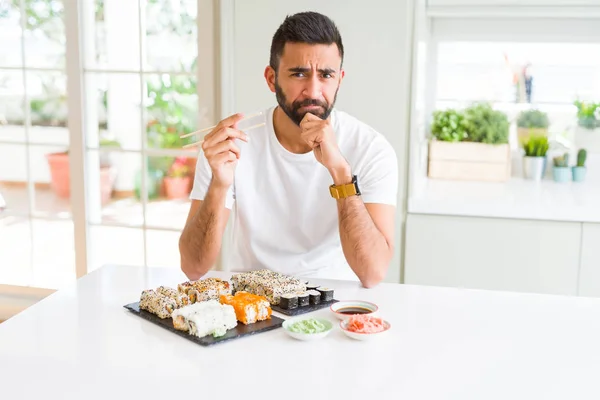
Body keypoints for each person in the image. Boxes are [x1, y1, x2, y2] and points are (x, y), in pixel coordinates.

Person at [179, 11, 398, 287]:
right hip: (252, 300)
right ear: (271, 79)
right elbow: (192, 268)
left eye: (326, 75)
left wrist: (341, 172)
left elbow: (373, 273)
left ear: (340, 79)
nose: (313, 90)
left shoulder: (371, 149)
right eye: (299, 74)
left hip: (334, 299)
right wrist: (218, 185)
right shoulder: (231, 144)